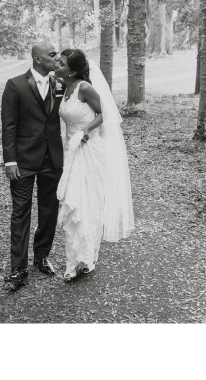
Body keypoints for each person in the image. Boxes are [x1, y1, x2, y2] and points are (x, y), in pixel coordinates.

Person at [53, 48, 135, 281]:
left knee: (85, 204)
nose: (56, 66)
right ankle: (75, 259)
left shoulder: (84, 88)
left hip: (90, 151)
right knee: (73, 206)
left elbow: (104, 113)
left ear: (73, 70)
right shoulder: (64, 87)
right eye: (57, 62)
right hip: (72, 151)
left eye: (60, 63)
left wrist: (87, 130)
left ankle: (85, 258)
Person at [0, 42, 63, 290]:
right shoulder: (15, 85)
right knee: (21, 212)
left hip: (52, 159)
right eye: (51, 54)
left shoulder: (60, 84)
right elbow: (9, 126)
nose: (56, 58)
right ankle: (18, 268)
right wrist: (10, 160)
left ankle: (42, 255)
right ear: (37, 59)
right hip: (23, 161)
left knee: (49, 210)